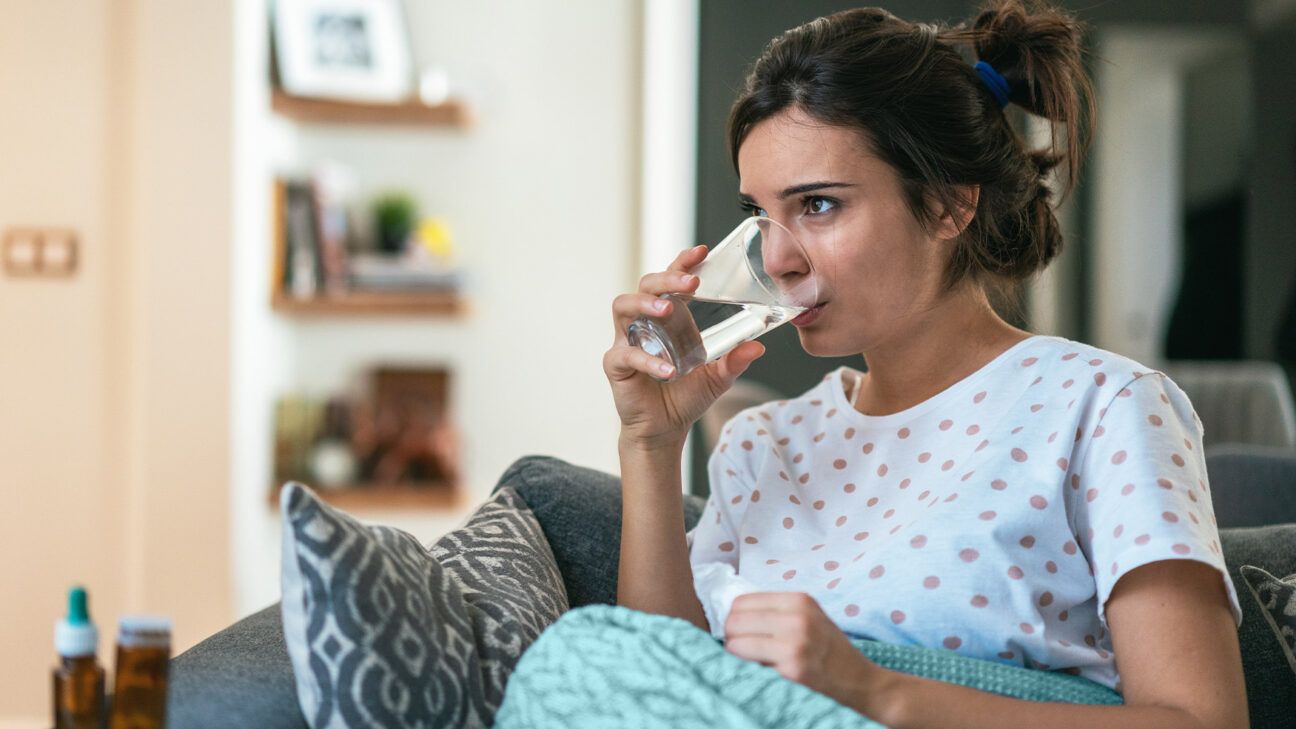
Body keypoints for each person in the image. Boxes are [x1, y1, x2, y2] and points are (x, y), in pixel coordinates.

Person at [603, 1, 1249, 727]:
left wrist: (880, 692)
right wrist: (650, 445)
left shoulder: (1104, 407)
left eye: (817, 205)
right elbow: (656, 684)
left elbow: (1203, 720)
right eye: (760, 213)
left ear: (947, 204)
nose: (777, 258)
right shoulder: (763, 444)